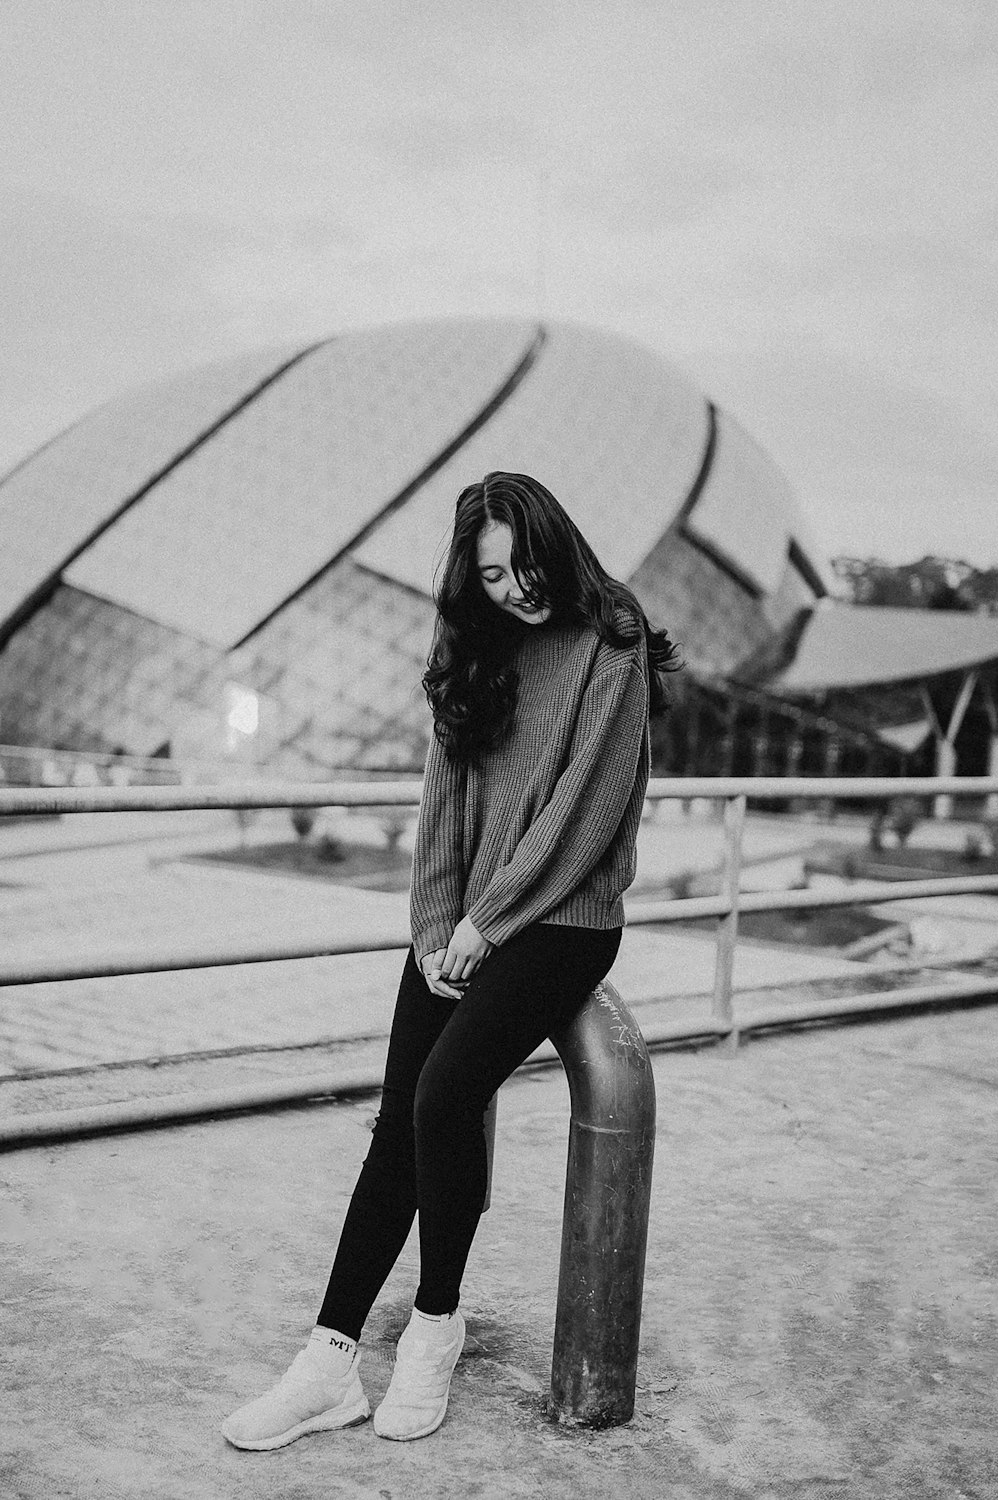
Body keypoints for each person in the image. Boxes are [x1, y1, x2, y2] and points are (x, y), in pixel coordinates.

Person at [220, 471, 679, 1450]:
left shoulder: (614, 637)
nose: (514, 589)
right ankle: (328, 1364)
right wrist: (433, 929)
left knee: (443, 1097)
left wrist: (490, 920)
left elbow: (585, 810)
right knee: (398, 1126)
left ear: (556, 543)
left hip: (565, 918)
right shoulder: (475, 644)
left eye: (524, 566)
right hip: (468, 922)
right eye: (492, 575)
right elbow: (442, 808)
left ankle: (434, 1326)